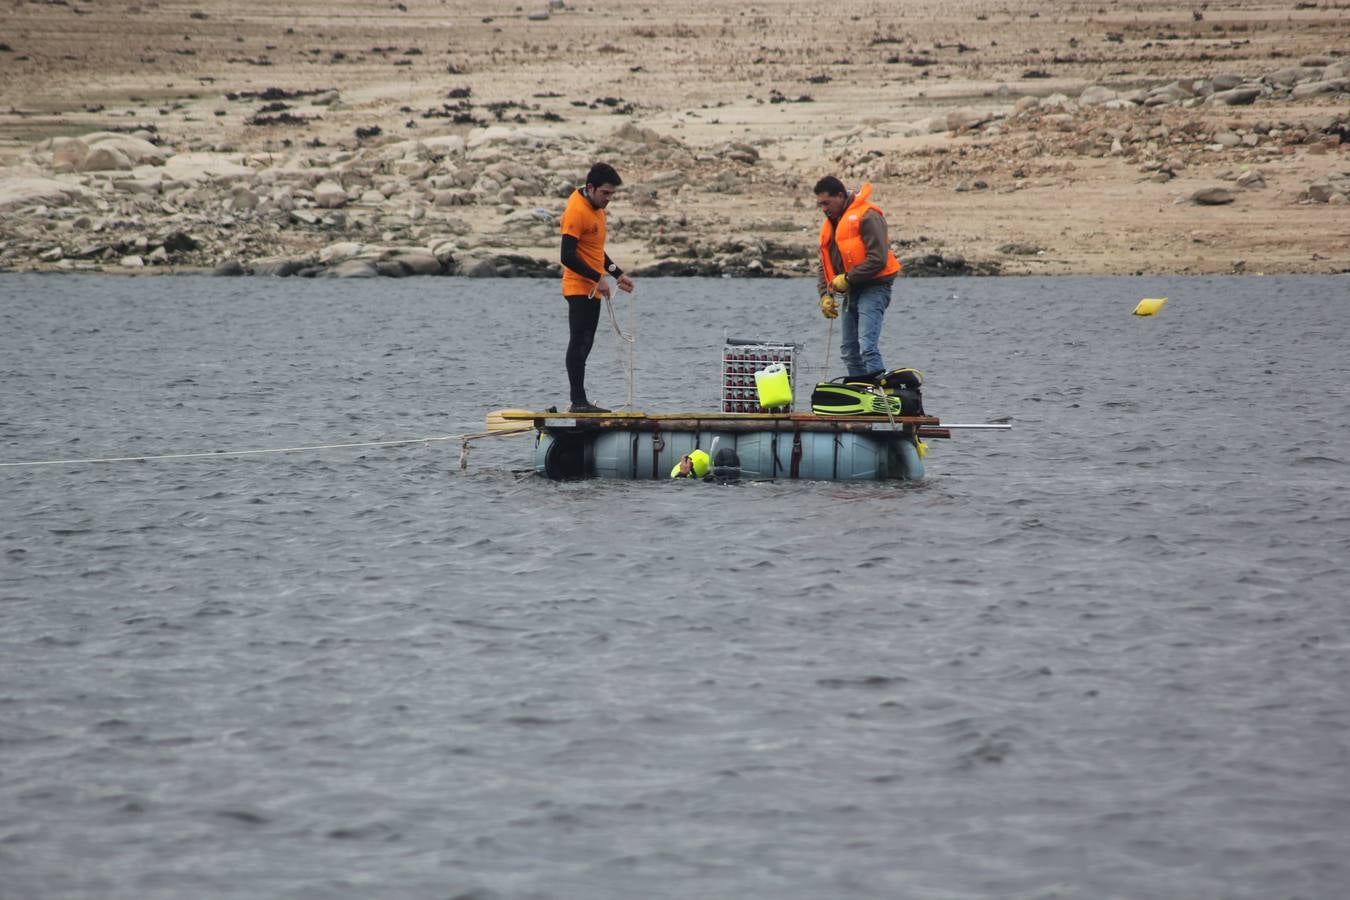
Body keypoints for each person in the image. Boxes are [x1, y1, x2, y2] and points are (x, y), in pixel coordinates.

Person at [559, 162, 635, 413]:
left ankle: (580, 401)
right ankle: (578, 402)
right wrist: (596, 277)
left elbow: (595, 250)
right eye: (605, 193)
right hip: (578, 287)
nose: (609, 198)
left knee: (586, 343)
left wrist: (616, 273)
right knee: (579, 342)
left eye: (612, 194)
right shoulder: (576, 211)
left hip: (592, 286)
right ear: (590, 188)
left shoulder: (598, 209)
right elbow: (567, 255)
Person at [814, 176, 902, 382]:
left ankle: (881, 391)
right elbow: (824, 264)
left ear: (840, 196)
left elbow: (878, 259)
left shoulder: (868, 216)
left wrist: (847, 278)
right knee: (848, 350)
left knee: (867, 347)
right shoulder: (832, 224)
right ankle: (861, 390)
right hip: (852, 290)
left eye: (827, 203)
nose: (824, 209)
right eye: (820, 205)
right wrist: (825, 296)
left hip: (875, 287)